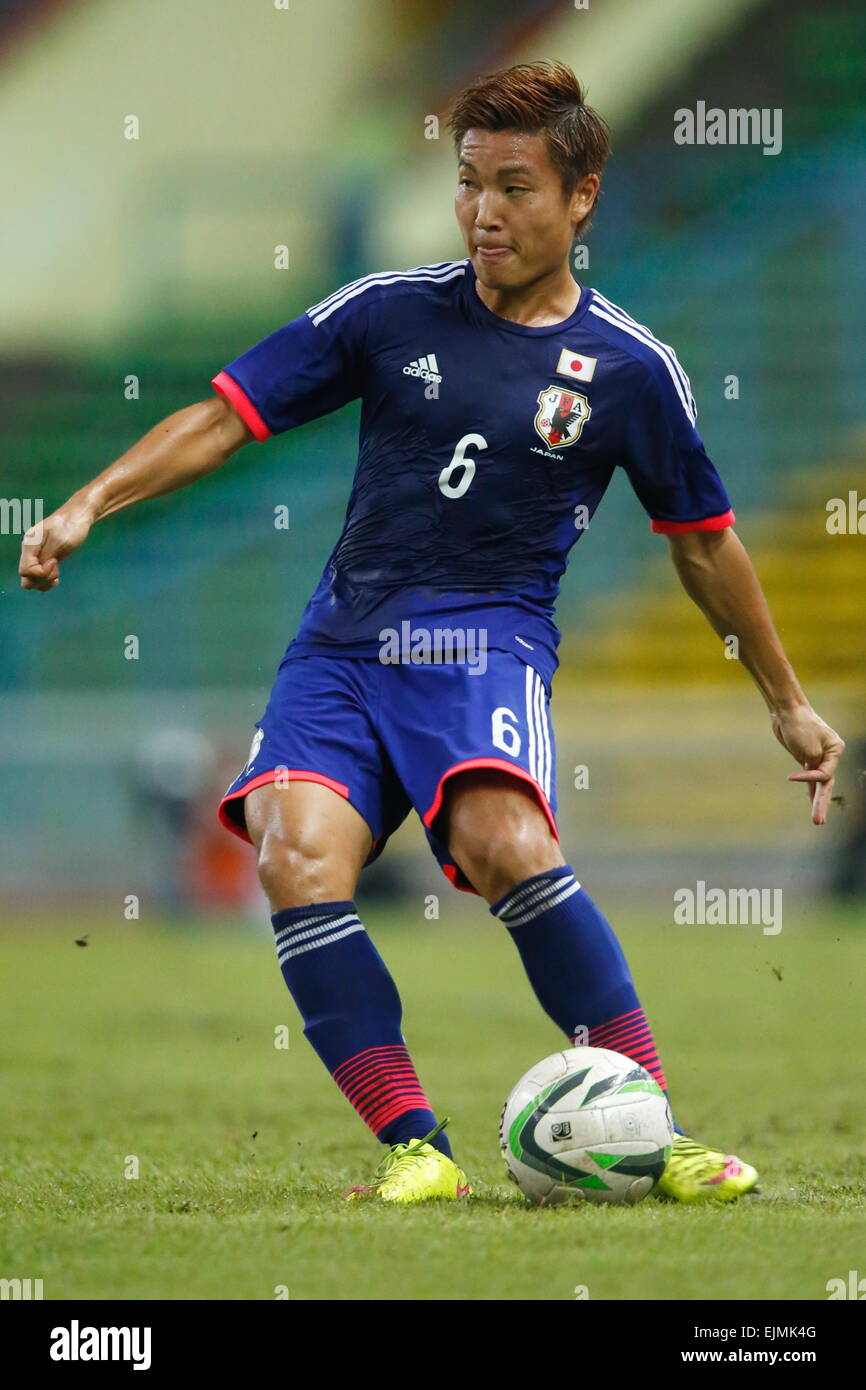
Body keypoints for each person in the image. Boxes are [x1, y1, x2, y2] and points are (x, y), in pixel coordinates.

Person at [20, 61, 845, 1205]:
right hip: (342, 650)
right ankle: (418, 1147)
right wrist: (85, 504)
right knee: (292, 855)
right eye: (467, 184)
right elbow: (222, 417)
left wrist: (784, 700)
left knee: (508, 840)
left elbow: (703, 542)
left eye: (513, 187)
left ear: (581, 197)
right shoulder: (385, 310)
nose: (484, 212)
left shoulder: (629, 370)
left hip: (484, 647)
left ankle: (655, 1134)